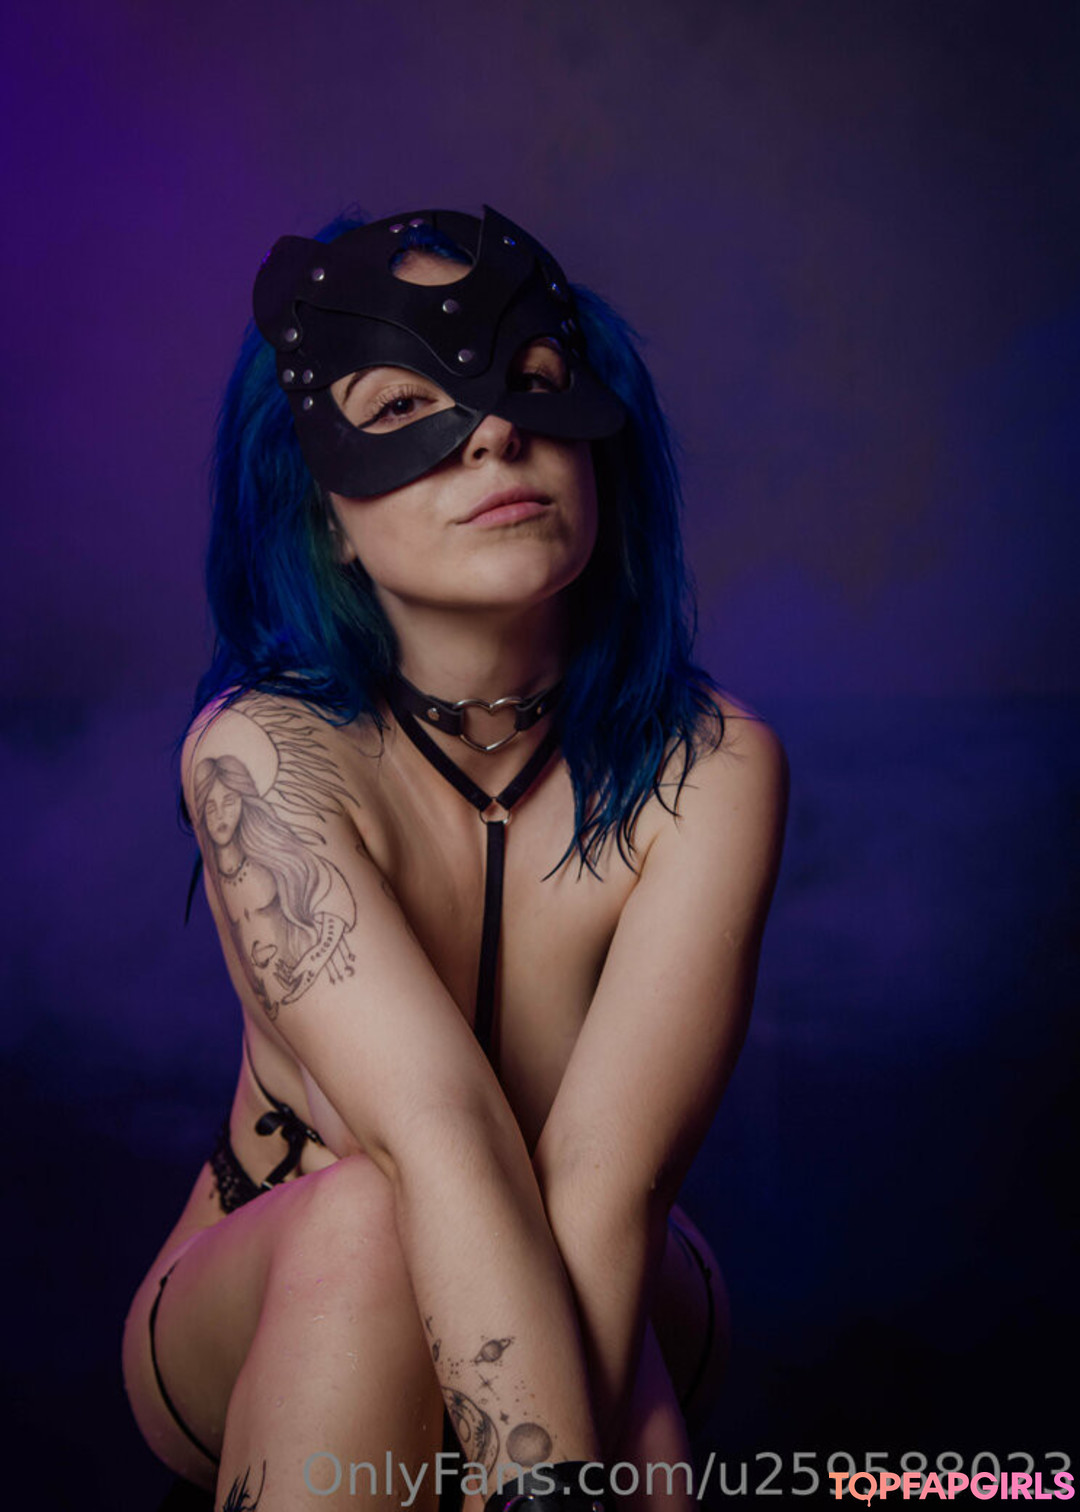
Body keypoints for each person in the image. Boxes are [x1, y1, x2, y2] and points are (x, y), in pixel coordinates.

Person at [122, 204, 788, 1512]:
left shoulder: (711, 765)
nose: (494, 432)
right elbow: (435, 1135)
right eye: (401, 406)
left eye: (533, 380)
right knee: (374, 1218)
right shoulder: (263, 758)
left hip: (618, 1271)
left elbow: (607, 1187)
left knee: (579, 1305)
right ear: (322, 512)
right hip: (288, 1283)